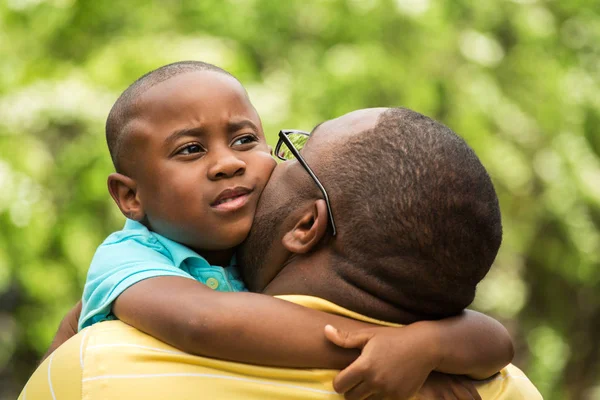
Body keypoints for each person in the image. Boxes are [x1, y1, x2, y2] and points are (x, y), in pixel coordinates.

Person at [20, 105, 542, 399]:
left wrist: (424, 348)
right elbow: (204, 321)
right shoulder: (505, 391)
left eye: (250, 141)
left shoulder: (95, 372)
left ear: (306, 225)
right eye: (190, 149)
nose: (233, 165)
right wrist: (400, 351)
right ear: (130, 196)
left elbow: (493, 338)